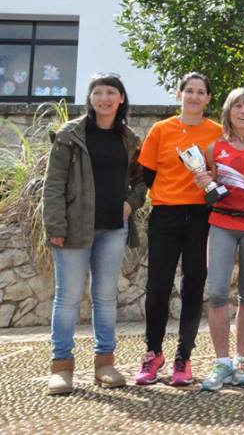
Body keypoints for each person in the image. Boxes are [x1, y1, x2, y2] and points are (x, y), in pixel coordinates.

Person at [43, 73, 146, 395]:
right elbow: (53, 184)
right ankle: (61, 368)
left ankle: (105, 364)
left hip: (114, 228)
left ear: (121, 98)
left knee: (105, 297)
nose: (104, 98)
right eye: (98, 93)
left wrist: (130, 204)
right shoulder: (69, 135)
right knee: (68, 298)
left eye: (111, 92)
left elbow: (140, 180)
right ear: (90, 99)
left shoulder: (129, 138)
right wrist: (55, 226)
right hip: (74, 227)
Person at [136, 72, 222, 386]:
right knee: (158, 286)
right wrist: (170, 194)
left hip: (201, 215)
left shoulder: (218, 132)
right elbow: (147, 174)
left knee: (193, 286)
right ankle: (153, 352)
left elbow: (220, 175)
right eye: (189, 91)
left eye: (201, 92)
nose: (194, 97)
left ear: (208, 98)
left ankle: (183, 357)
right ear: (179, 94)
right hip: (165, 214)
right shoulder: (161, 130)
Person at [195, 88, 244, 391]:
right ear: (228, 111)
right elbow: (209, 189)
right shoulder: (214, 148)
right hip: (222, 224)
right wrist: (204, 182)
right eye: (237, 106)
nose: (243, 111)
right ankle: (222, 361)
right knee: (216, 293)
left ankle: (240, 360)